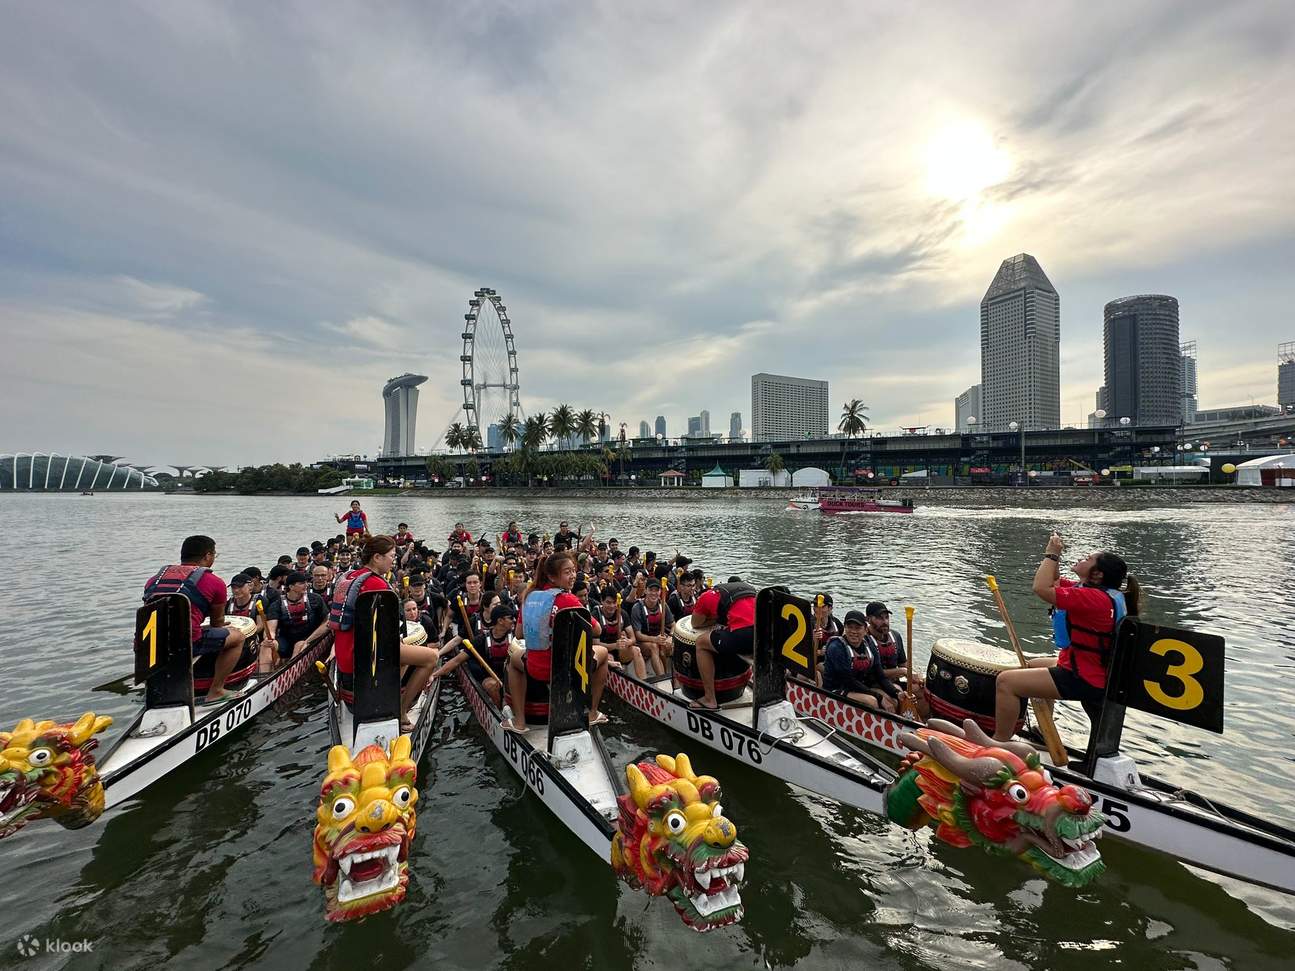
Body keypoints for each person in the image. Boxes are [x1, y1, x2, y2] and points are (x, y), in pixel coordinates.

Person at [993, 533, 1140, 742]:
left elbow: (1041, 588)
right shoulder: (1096, 592)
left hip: (1085, 677)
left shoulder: (1094, 598)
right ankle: (1045, 731)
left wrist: (1051, 555)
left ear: (1097, 575)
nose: (1082, 558)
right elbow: (1052, 581)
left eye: (1088, 558)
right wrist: (1056, 557)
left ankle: (1000, 741)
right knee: (1031, 666)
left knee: (1006, 682)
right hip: (1087, 666)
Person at [503, 551, 611, 733]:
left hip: (535, 667)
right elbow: (597, 630)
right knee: (603, 653)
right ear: (552, 576)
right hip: (565, 670)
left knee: (513, 661)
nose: (572, 576)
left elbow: (519, 634)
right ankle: (592, 713)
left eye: (573, 571)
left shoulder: (529, 596)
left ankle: (520, 721)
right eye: (567, 572)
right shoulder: (568, 599)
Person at [143, 535, 246, 704]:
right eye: (214, 555)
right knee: (238, 637)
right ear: (207, 556)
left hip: (149, 644)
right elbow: (217, 623)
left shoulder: (153, 580)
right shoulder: (215, 582)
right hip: (185, 643)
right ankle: (216, 690)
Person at [688, 580, 756, 710]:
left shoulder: (706, 596)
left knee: (701, 642)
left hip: (742, 635)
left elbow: (695, 623)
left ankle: (709, 699)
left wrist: (712, 619)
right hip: (764, 633)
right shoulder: (750, 590)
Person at [823, 610, 901, 711]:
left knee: (893, 701)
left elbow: (880, 676)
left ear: (865, 629)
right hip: (835, 689)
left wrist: (897, 693)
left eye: (858, 628)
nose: (853, 632)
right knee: (871, 701)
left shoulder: (869, 645)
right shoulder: (836, 647)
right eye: (849, 627)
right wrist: (878, 697)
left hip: (858, 687)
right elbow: (848, 681)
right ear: (845, 628)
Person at [266, 571, 329, 668]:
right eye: (301, 583)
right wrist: (270, 639)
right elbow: (271, 628)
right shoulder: (277, 604)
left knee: (299, 645)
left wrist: (307, 641)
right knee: (265, 645)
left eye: (306, 582)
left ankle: (289, 670)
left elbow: (327, 622)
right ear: (291, 587)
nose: (306, 585)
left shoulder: (315, 599)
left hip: (309, 637)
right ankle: (264, 675)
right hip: (286, 639)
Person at [465, 603, 513, 707]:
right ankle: (499, 711)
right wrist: (435, 674)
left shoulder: (515, 636)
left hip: (509, 676)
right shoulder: (481, 639)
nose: (513, 620)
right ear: (500, 621)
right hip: (491, 678)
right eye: (510, 618)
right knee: (491, 685)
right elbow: (457, 660)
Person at [595, 588, 644, 678]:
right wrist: (615, 645)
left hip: (620, 651)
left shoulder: (622, 613)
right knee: (609, 657)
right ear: (601, 601)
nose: (612, 606)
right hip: (605, 651)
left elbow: (633, 638)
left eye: (614, 603)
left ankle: (645, 684)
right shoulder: (595, 615)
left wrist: (627, 642)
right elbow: (595, 644)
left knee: (636, 650)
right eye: (608, 602)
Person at [630, 580, 673, 676]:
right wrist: (655, 639)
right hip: (643, 643)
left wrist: (670, 636)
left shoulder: (663, 605)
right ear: (645, 591)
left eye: (656, 590)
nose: (654, 593)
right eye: (651, 590)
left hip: (660, 639)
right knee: (654, 646)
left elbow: (673, 624)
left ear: (660, 592)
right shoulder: (637, 608)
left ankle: (677, 679)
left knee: (672, 645)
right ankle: (663, 679)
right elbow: (638, 635)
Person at [862, 602, 906, 681]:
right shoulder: (863, 640)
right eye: (880, 618)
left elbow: (902, 663)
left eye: (886, 617)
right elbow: (872, 673)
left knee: (920, 688)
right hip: (873, 684)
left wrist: (914, 675)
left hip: (893, 681)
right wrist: (902, 671)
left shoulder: (896, 636)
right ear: (868, 619)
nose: (885, 622)